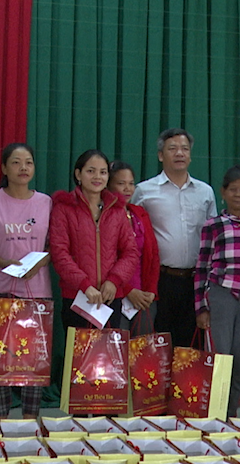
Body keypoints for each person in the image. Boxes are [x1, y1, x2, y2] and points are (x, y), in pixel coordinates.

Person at [0, 143, 52, 421]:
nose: (23, 168)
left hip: (38, 292)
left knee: (34, 361)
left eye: (28, 162)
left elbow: (54, 246)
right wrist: (5, 263)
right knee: (0, 359)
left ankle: (30, 423)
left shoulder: (45, 202)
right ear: (4, 168)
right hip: (1, 291)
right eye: (16, 163)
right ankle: (0, 423)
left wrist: (39, 263)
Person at [130, 129, 216, 347]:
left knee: (190, 350)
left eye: (185, 149)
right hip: (160, 280)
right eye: (173, 148)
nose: (179, 153)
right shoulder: (144, 191)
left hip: (195, 282)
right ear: (160, 155)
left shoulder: (205, 192)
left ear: (190, 155)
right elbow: (132, 237)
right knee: (158, 346)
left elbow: (213, 238)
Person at [194, 166, 240, 417]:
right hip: (221, 296)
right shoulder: (213, 226)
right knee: (220, 359)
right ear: (223, 192)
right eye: (233, 190)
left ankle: (231, 414)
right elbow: (202, 267)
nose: (238, 195)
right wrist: (201, 307)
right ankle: (214, 416)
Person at [50, 150, 138, 331]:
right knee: (78, 349)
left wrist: (113, 281)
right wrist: (84, 285)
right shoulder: (64, 208)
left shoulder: (117, 210)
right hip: (77, 297)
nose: (97, 177)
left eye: (103, 172)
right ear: (78, 174)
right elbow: (59, 253)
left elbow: (130, 252)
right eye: (91, 171)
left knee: (108, 349)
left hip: (110, 298)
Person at [107, 161, 160, 336]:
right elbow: (107, 260)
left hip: (144, 298)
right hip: (117, 294)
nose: (127, 189)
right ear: (109, 185)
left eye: (131, 184)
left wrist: (151, 290)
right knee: (117, 348)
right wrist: (129, 291)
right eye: (121, 183)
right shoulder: (105, 215)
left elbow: (153, 254)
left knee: (142, 349)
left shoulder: (139, 213)